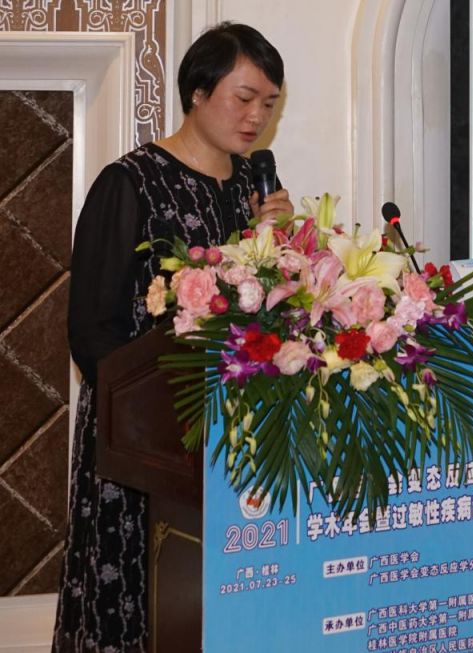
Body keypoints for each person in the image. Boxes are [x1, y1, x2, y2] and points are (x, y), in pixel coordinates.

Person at [52, 22, 293, 652]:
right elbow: (91, 329)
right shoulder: (130, 181)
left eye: (269, 104)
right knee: (133, 595)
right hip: (143, 437)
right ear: (197, 92)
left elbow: (267, 316)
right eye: (245, 98)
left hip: (231, 435)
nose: (257, 117)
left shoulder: (253, 191)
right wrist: (151, 418)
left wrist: (281, 245)